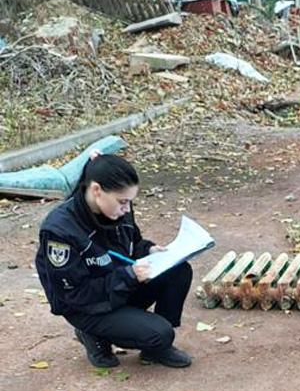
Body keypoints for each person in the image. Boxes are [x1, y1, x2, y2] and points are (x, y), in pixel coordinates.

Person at [35, 154, 193, 369]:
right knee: (160, 333)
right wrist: (128, 276)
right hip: (86, 306)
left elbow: (131, 244)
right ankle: (92, 333)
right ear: (97, 190)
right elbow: (75, 295)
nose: (127, 209)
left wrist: (148, 249)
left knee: (178, 269)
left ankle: (154, 350)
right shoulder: (60, 231)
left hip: (118, 286)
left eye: (130, 201)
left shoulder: (117, 209)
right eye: (123, 202)